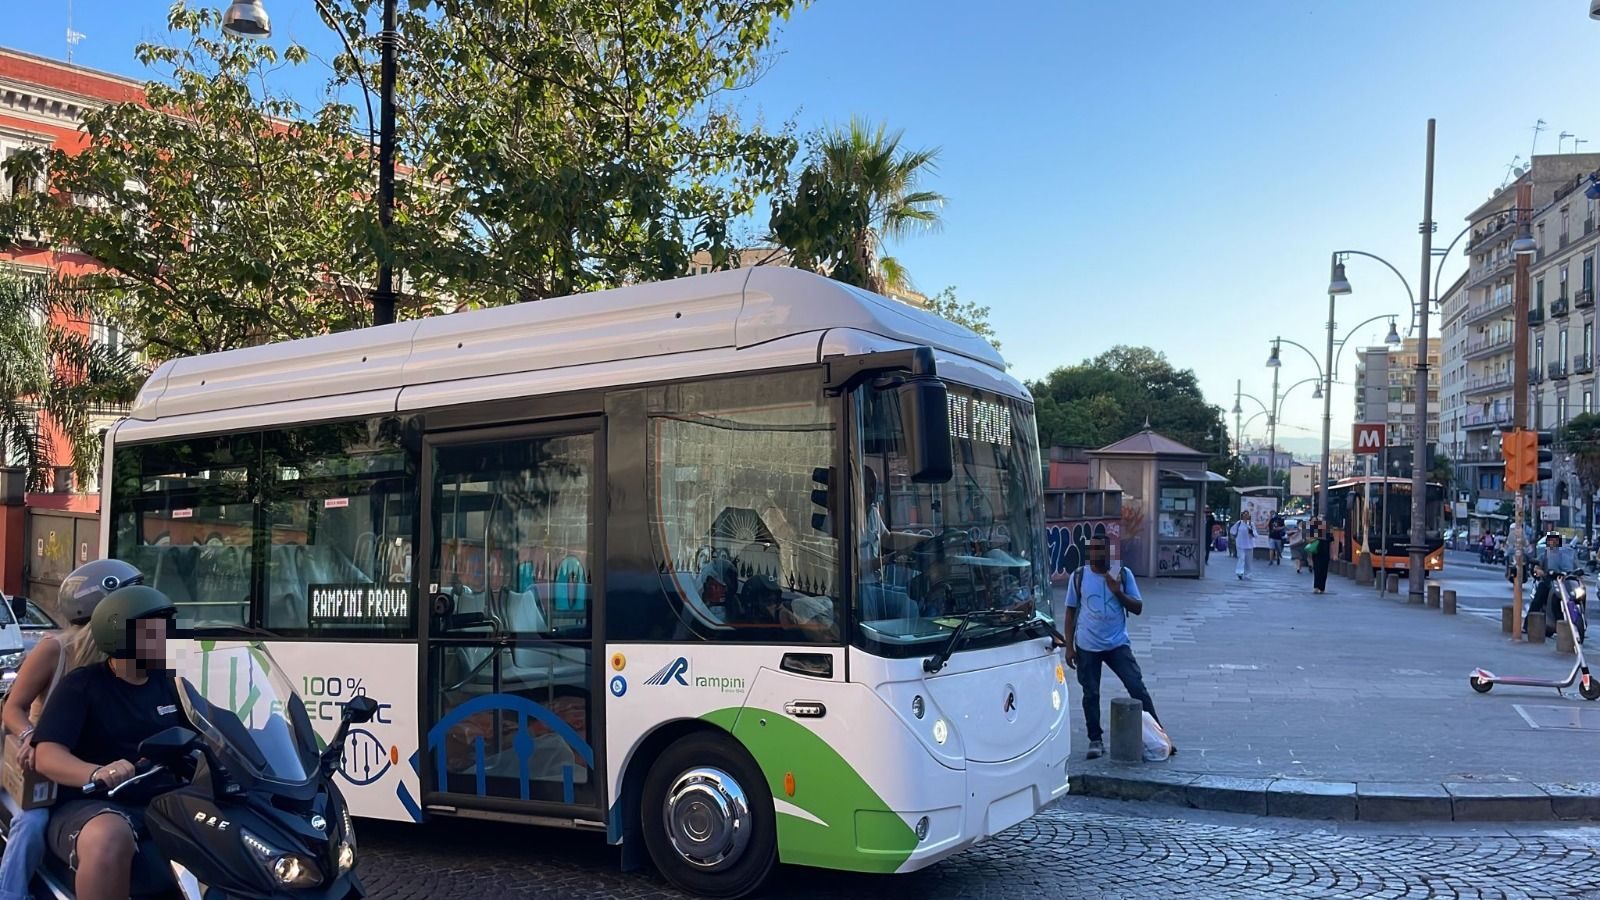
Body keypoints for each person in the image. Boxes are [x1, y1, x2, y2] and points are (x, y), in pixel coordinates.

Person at [32, 584, 186, 900]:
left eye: (166, 631)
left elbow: (208, 728)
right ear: (120, 636)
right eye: (153, 634)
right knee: (109, 837)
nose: (165, 640)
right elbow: (46, 754)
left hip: (162, 800)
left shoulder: (170, 684)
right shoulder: (82, 686)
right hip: (92, 803)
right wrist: (96, 772)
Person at [0, 560, 139, 900]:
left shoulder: (128, 654)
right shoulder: (56, 649)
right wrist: (30, 736)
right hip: (43, 768)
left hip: (94, 767)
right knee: (32, 825)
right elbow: (12, 707)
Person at [1064, 539, 1168, 760]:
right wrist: (1069, 646)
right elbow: (1070, 611)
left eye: (1102, 552)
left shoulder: (1123, 574)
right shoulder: (1079, 576)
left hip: (1117, 644)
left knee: (1136, 687)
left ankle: (1159, 735)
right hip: (1087, 645)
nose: (1098, 557)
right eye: (1093, 551)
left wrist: (1117, 592)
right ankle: (1095, 739)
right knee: (1090, 693)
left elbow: (1138, 607)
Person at [1528, 532, 1575, 636]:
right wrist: (1539, 571)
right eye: (1551, 541)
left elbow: (1574, 567)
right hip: (1548, 580)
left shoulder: (1565, 555)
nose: (1553, 543)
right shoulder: (1544, 554)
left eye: (1555, 541)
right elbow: (1536, 567)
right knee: (1538, 599)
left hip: (1563, 582)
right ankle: (1527, 625)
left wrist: (1577, 573)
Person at [1309, 517, 1333, 594]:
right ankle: (1316, 587)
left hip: (1326, 552)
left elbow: (1331, 541)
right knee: (1317, 569)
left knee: (1324, 570)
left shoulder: (1328, 529)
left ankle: (1322, 587)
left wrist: (1333, 554)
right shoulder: (1311, 528)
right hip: (1316, 552)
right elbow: (1308, 539)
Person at [1230, 514, 1257, 580]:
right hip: (1240, 544)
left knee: (1248, 560)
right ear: (1242, 516)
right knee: (1241, 558)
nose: (1245, 517)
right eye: (1244, 515)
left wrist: (1252, 532)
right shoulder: (1239, 523)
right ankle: (1239, 572)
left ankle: (1248, 574)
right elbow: (1232, 531)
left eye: (1246, 515)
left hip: (1249, 544)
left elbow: (1255, 534)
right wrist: (1233, 537)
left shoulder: (1251, 524)